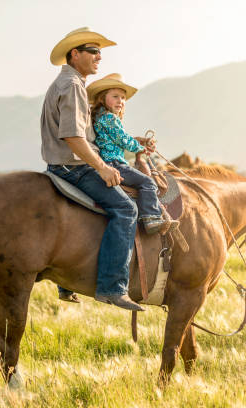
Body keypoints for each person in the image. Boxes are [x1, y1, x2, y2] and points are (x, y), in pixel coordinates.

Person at [41, 27, 150, 312]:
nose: (99, 57)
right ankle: (113, 287)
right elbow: (73, 137)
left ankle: (68, 281)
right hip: (73, 167)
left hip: (61, 163)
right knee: (127, 210)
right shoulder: (74, 85)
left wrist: (134, 142)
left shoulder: (65, 83)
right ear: (75, 54)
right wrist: (101, 167)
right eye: (94, 51)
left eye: (100, 52)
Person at [86, 74, 178, 234]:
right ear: (102, 98)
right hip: (114, 163)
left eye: (122, 98)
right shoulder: (109, 118)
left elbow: (116, 139)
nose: (120, 101)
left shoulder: (100, 117)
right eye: (115, 96)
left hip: (110, 161)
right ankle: (151, 217)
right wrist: (140, 148)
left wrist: (138, 141)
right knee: (148, 183)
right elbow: (123, 140)